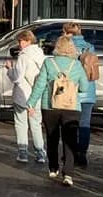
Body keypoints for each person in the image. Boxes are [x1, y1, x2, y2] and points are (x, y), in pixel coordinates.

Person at [29, 35, 85, 186]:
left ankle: (53, 168)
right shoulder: (77, 65)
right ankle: (68, 174)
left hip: (49, 106)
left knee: (52, 138)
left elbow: (40, 85)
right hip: (72, 107)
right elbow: (85, 87)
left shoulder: (48, 63)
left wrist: (31, 103)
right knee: (70, 140)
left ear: (57, 47)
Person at [6, 29, 46, 165]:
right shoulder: (40, 54)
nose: (20, 44)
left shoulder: (23, 56)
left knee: (21, 124)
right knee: (36, 124)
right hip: (36, 96)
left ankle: (23, 153)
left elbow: (17, 78)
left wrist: (9, 69)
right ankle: (40, 153)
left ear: (28, 41)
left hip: (22, 95)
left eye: (22, 41)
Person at [63, 21, 100, 166]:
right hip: (89, 91)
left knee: (70, 124)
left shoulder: (67, 47)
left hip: (72, 93)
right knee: (85, 124)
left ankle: (70, 155)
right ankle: (82, 154)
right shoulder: (90, 47)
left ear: (67, 33)